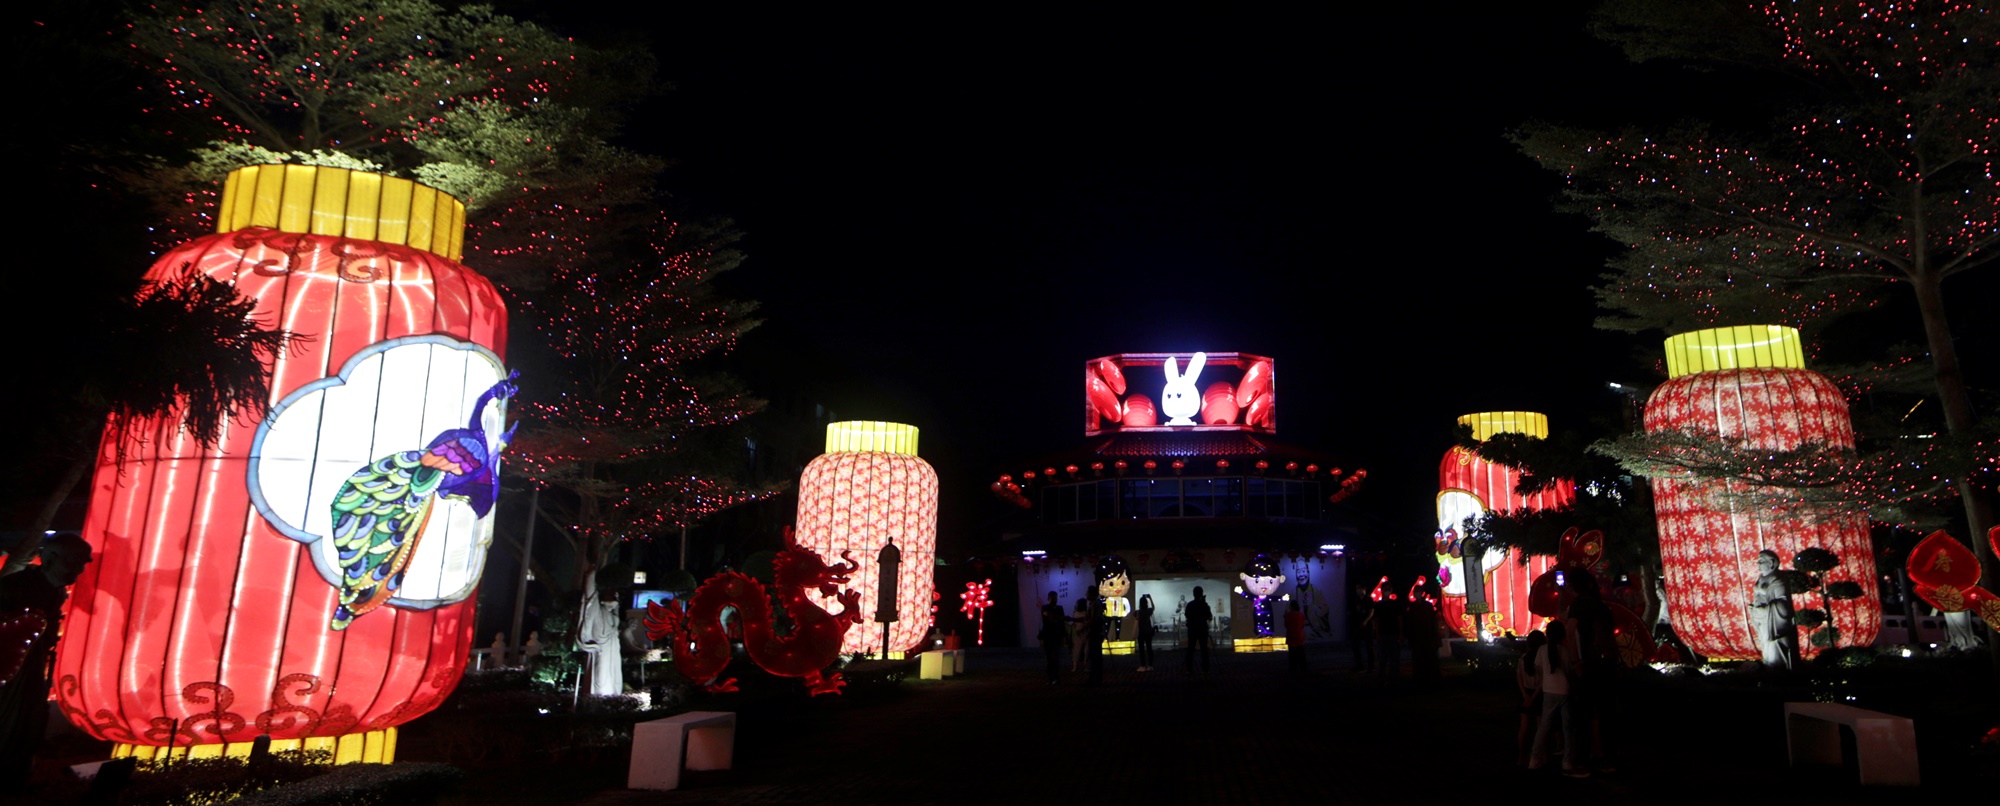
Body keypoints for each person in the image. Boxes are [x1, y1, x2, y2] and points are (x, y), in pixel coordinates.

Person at [0, 534, 92, 788]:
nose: (78, 569)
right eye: (73, 562)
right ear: (50, 558)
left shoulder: (55, 591)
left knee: (26, 723)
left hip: (32, 668)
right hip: (10, 672)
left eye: (82, 563)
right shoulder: (15, 588)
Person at [1528, 620, 1587, 777]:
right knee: (1568, 727)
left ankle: (1534, 758)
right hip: (1564, 690)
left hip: (1548, 690)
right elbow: (1569, 671)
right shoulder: (1565, 651)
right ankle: (1567, 761)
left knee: (1544, 726)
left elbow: (1539, 669)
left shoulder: (1542, 650)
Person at [1748, 549, 1799, 670]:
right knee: (1765, 647)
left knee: (1774, 647)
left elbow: (1783, 604)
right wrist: (1754, 608)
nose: (1758, 564)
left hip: (1774, 622)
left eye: (1761, 561)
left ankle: (1779, 672)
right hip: (1763, 620)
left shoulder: (1779, 579)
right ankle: (1770, 670)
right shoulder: (1761, 577)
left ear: (1771, 563)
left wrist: (1765, 610)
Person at [1514, 630, 1548, 768]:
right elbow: (1542, 681)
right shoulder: (1541, 660)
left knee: (1524, 727)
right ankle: (1541, 755)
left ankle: (1521, 756)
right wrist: (1533, 697)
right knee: (1540, 726)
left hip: (1526, 693)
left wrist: (1525, 695)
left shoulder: (1523, 659)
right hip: (1537, 694)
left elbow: (1519, 678)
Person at [1038, 591, 1068, 685]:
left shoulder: (1058, 608)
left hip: (1056, 636)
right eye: (1053, 598)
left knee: (1055, 658)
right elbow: (1049, 619)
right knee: (1050, 658)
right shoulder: (1045, 607)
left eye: (1055, 598)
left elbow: (1060, 621)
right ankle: (1051, 678)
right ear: (1048, 599)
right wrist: (1057, 619)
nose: (1055, 600)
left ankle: (1055, 678)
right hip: (1049, 636)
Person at [1183, 586, 1213, 673]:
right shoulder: (1204, 605)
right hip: (1202, 629)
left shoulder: (1190, 605)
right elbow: (1209, 616)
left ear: (1193, 594)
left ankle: (1189, 669)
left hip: (1192, 629)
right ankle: (1205, 669)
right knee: (1204, 649)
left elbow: (1187, 615)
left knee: (1191, 649)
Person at [1348, 582, 1377, 672]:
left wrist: (1365, 621)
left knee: (1369, 645)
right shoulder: (1356, 600)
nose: (1358, 590)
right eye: (1357, 589)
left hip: (1367, 625)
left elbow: (1371, 612)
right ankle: (1359, 664)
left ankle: (1371, 665)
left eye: (1360, 588)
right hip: (1357, 625)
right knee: (1356, 645)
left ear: (1364, 589)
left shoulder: (1369, 599)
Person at [1135, 594, 1157, 672]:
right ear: (1146, 603)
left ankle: (1143, 666)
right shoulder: (1148, 611)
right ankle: (1150, 665)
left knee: (1141, 650)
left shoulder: (1137, 612)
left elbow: (1135, 618)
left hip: (1141, 632)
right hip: (1148, 632)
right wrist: (1150, 598)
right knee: (1149, 648)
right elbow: (1153, 607)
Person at [1284, 599, 1308, 672]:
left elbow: (1286, 625)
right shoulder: (1301, 615)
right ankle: (1303, 668)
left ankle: (1293, 669)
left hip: (1291, 636)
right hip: (1299, 635)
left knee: (1292, 655)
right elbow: (1302, 625)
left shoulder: (1288, 615)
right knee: (1301, 654)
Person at [1071, 596, 1092, 673]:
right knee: (1085, 650)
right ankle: (1084, 666)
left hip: (1078, 632)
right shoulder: (1086, 613)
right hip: (1084, 632)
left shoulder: (1075, 613)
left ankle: (1075, 666)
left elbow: (1074, 623)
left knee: (1077, 650)